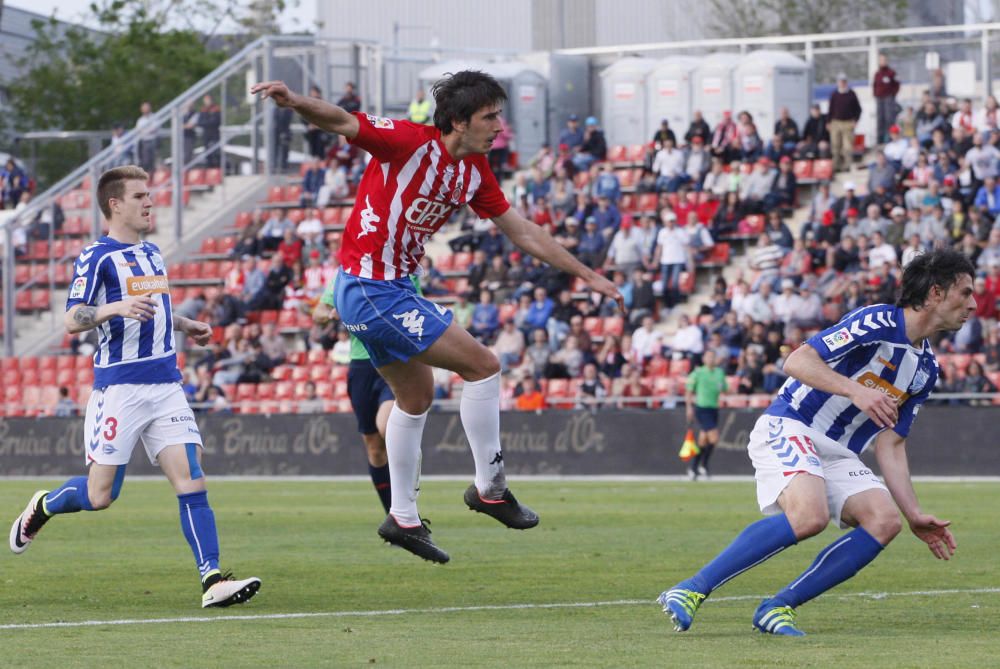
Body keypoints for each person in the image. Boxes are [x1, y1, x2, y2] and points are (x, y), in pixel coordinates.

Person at [253, 71, 623, 563]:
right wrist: (295, 100)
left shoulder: (475, 172)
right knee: (483, 365)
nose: (499, 127)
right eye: (490, 117)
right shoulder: (406, 140)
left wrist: (587, 275)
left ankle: (402, 516)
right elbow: (341, 120)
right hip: (370, 288)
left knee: (415, 396)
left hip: (387, 289)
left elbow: (524, 232)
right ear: (457, 121)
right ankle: (490, 487)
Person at [658, 248, 973, 636]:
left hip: (839, 451)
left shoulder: (926, 369)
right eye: (965, 293)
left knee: (885, 521)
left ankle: (778, 607)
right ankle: (690, 589)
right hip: (792, 424)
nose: (973, 305)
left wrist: (914, 514)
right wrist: (855, 391)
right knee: (809, 517)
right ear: (936, 293)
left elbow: (891, 444)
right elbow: (796, 361)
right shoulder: (877, 320)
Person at [8, 165, 260, 608]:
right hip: (120, 390)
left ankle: (213, 580)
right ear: (115, 204)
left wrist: (185, 325)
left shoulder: (153, 253)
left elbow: (154, 313)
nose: (150, 202)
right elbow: (71, 320)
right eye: (140, 196)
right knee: (100, 495)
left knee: (192, 480)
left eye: (150, 194)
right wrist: (114, 307)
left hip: (166, 386)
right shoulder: (97, 256)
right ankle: (43, 506)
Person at [313, 275, 419, 514]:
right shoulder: (346, 275)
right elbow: (319, 312)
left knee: (387, 427)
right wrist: (333, 312)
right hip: (361, 366)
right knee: (374, 447)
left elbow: (415, 306)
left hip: (394, 361)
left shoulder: (402, 270)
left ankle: (407, 507)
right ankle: (395, 514)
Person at [685, 349, 727, 481]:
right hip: (701, 408)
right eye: (708, 357)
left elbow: (725, 389)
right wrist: (689, 407)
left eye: (713, 357)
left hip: (713, 408)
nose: (710, 359)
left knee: (703, 440)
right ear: (704, 359)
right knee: (714, 438)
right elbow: (689, 391)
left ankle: (693, 467)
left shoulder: (719, 373)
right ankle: (704, 464)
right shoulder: (698, 372)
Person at [828, 73, 862, 172]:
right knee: (835, 146)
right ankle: (836, 166)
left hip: (848, 123)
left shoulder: (851, 94)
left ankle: (847, 166)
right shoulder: (834, 94)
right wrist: (829, 122)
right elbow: (830, 109)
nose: (842, 83)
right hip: (836, 122)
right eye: (840, 81)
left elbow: (858, 109)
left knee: (847, 147)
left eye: (844, 81)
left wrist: (855, 120)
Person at [872, 54, 901, 144]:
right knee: (880, 119)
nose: (882, 62)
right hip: (879, 98)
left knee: (889, 119)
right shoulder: (877, 74)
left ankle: (890, 138)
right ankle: (880, 140)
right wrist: (875, 94)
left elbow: (897, 84)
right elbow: (874, 85)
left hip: (888, 98)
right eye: (881, 60)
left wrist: (892, 94)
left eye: (884, 60)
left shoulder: (891, 73)